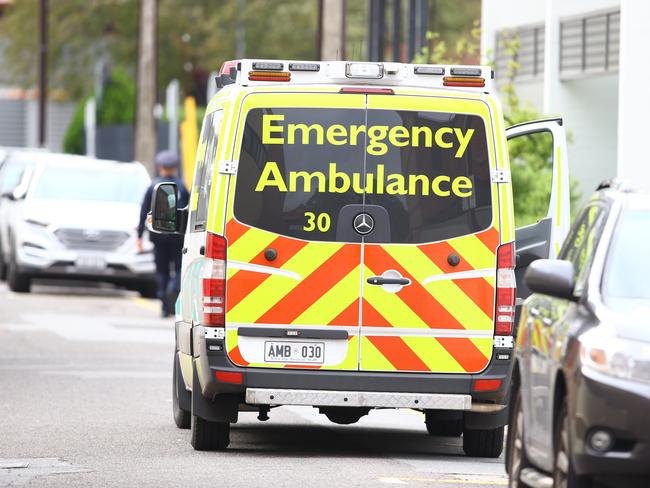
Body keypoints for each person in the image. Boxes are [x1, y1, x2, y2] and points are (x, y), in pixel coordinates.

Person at [137, 150, 190, 317]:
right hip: (178, 236)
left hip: (158, 236)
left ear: (160, 167)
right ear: (174, 168)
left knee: (161, 270)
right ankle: (173, 291)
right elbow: (189, 211)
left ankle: (163, 303)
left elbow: (144, 212)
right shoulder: (182, 187)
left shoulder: (153, 187)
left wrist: (139, 235)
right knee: (179, 267)